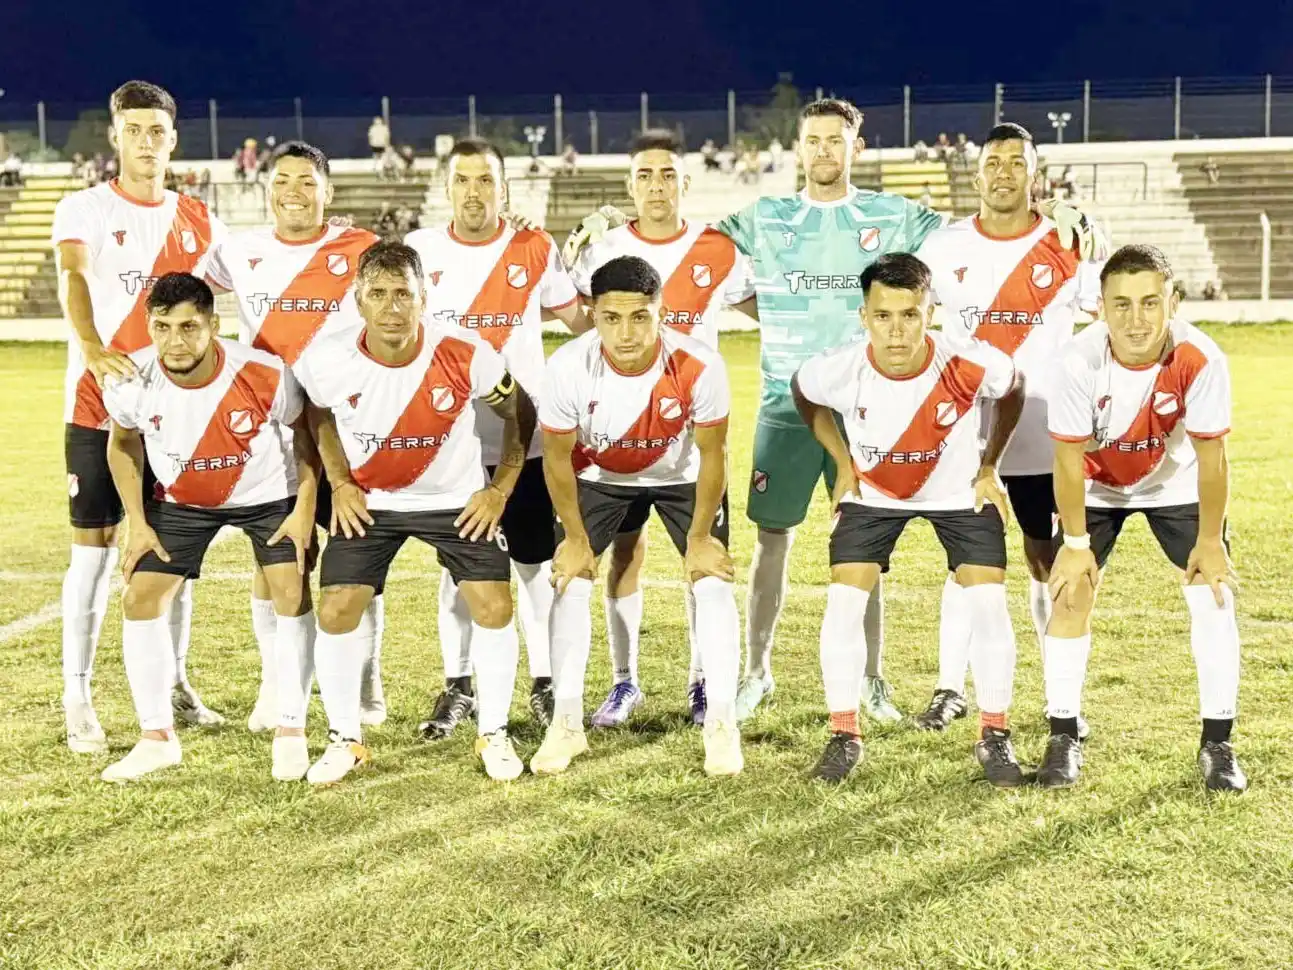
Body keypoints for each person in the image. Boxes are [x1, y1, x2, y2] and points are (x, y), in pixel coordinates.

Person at [712, 100, 1105, 726]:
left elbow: (1026, 255)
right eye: (811, 141)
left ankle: (897, 683)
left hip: (952, 414)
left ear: (855, 147)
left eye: (834, 140)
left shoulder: (906, 218)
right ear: (798, 147)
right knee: (793, 541)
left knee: (932, 547)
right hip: (832, 409)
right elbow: (690, 252)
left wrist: (1066, 214)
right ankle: (766, 673)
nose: (822, 152)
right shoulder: (776, 218)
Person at [295, 241, 536, 784]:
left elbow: (520, 409)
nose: (391, 307)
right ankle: (345, 739)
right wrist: (340, 481)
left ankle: (493, 732)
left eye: (403, 293)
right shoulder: (327, 357)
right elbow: (317, 414)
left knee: (494, 607)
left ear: (424, 297)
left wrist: (499, 489)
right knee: (336, 609)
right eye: (377, 294)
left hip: (454, 501)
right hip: (373, 503)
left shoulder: (465, 352)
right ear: (357, 300)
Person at [792, 253, 1025, 786]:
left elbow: (1013, 388)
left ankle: (995, 735)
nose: (896, 332)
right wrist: (842, 463)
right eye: (883, 317)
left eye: (910, 315)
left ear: (931, 312)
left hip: (958, 495)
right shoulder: (840, 368)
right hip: (874, 495)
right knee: (844, 601)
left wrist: (989, 465)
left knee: (988, 602)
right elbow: (802, 394)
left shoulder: (967, 361)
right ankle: (844, 735)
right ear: (863, 316)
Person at [51, 79, 228, 756]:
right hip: (97, 410)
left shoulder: (198, 217)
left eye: (158, 130)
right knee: (92, 558)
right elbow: (73, 275)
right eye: (135, 130)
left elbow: (253, 281)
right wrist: (92, 345)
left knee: (170, 556)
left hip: (173, 419)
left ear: (173, 138)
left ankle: (177, 684)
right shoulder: (85, 206)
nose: (147, 142)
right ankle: (78, 696)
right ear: (114, 135)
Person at [911, 123, 1105, 734]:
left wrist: (1093, 229)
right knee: (964, 564)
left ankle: (1059, 691)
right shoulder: (943, 248)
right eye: (992, 162)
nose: (1002, 173)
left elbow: (1111, 307)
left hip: (1049, 434)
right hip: (968, 438)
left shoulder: (1065, 243)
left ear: (1034, 175)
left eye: (1015, 163)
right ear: (976, 174)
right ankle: (949, 687)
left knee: (1047, 559)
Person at [567, 129, 754, 727]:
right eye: (645, 175)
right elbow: (575, 319)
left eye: (667, 175)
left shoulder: (716, 248)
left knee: (703, 561)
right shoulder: (606, 247)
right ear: (630, 185)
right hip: (615, 442)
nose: (656, 186)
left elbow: (763, 304)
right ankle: (625, 683)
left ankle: (702, 682)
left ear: (685, 183)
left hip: (690, 444)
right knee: (624, 558)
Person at [1043, 244, 1246, 792]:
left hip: (1174, 485)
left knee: (1213, 593)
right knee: (1069, 591)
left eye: (1150, 302)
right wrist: (1077, 542)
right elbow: (1065, 458)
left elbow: (1212, 458)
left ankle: (1218, 743)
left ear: (1173, 302)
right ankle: (1063, 733)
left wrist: (1209, 541)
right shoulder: (1075, 361)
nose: (1136, 319)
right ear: (1100, 309)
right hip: (1096, 487)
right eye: (1122, 304)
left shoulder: (1202, 359)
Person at [99, 273, 316, 782]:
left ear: (213, 325)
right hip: (181, 504)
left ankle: (291, 729)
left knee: (291, 590)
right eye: (162, 327)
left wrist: (304, 509)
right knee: (140, 596)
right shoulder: (129, 380)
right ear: (149, 326)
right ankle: (156, 738)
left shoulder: (264, 373)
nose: (176, 340)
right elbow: (123, 443)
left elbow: (307, 434)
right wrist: (138, 522)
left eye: (190, 327)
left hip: (267, 497)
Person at [532, 255, 743, 777]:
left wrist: (700, 537)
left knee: (711, 581)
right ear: (592, 313)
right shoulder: (566, 368)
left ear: (661, 312)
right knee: (570, 582)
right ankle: (566, 725)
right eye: (610, 319)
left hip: (682, 478)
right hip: (599, 478)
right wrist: (575, 538)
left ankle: (721, 723)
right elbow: (557, 459)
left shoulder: (700, 364)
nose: (625, 333)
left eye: (640, 317)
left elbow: (714, 454)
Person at [404, 137, 583, 737]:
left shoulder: (534, 245)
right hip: (449, 444)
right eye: (463, 180)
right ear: (447, 187)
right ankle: (458, 686)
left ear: (503, 189)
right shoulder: (419, 251)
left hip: (523, 442)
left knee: (533, 566)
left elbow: (579, 320)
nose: (474, 191)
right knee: (458, 572)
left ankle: (543, 681)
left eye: (486, 180)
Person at [204, 140, 383, 732]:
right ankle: (276, 683)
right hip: (272, 430)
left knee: (356, 556)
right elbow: (173, 273)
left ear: (328, 192)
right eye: (283, 181)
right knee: (278, 557)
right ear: (267, 188)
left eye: (307, 181)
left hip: (351, 426)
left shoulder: (361, 249)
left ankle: (365, 681)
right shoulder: (239, 250)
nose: (294, 192)